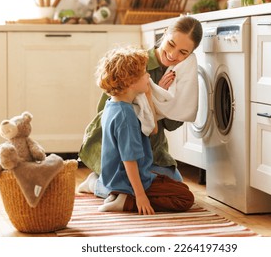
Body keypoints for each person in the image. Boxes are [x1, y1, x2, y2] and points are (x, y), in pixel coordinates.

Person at [78, 16, 203, 195]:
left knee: (176, 186)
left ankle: (121, 184)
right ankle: (96, 184)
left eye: (183, 52)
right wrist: (153, 93)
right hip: (119, 149)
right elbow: (106, 113)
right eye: (171, 44)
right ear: (165, 33)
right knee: (131, 188)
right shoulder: (135, 63)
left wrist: (163, 98)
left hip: (153, 150)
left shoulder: (181, 73)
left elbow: (172, 124)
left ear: (191, 54)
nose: (174, 55)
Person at [95, 46, 194, 214]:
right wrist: (140, 196)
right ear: (130, 83)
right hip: (128, 180)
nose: (148, 75)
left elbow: (153, 130)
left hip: (118, 177)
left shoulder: (113, 105)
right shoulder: (126, 116)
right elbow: (129, 160)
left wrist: (148, 95)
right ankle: (127, 201)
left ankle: (115, 193)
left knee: (177, 185)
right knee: (185, 197)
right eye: (144, 73)